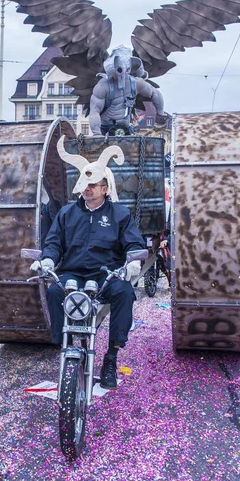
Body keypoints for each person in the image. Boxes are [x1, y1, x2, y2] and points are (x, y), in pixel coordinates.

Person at [31, 137, 146, 390]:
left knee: (125, 293)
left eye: (93, 184)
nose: (88, 189)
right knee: (53, 291)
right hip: (72, 273)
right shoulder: (67, 214)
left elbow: (134, 245)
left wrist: (133, 263)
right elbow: (54, 243)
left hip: (106, 275)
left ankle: (111, 358)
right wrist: (47, 258)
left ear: (105, 188)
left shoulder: (121, 215)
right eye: (85, 184)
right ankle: (67, 346)